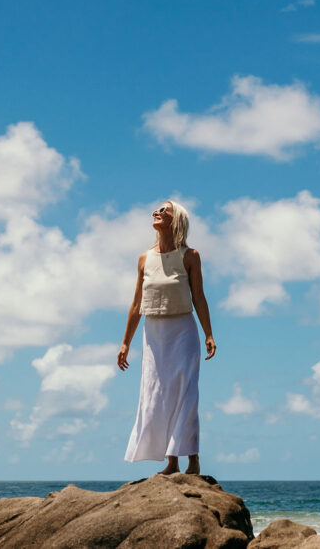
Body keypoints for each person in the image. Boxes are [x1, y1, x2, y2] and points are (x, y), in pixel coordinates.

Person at [118, 199, 216, 475]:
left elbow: (199, 297)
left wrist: (209, 333)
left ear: (177, 221)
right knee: (156, 395)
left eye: (164, 211)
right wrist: (125, 342)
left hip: (183, 331)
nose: (157, 213)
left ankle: (192, 458)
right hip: (153, 335)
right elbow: (137, 304)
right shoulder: (144, 258)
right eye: (157, 209)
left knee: (185, 394)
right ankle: (171, 462)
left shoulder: (190, 256)